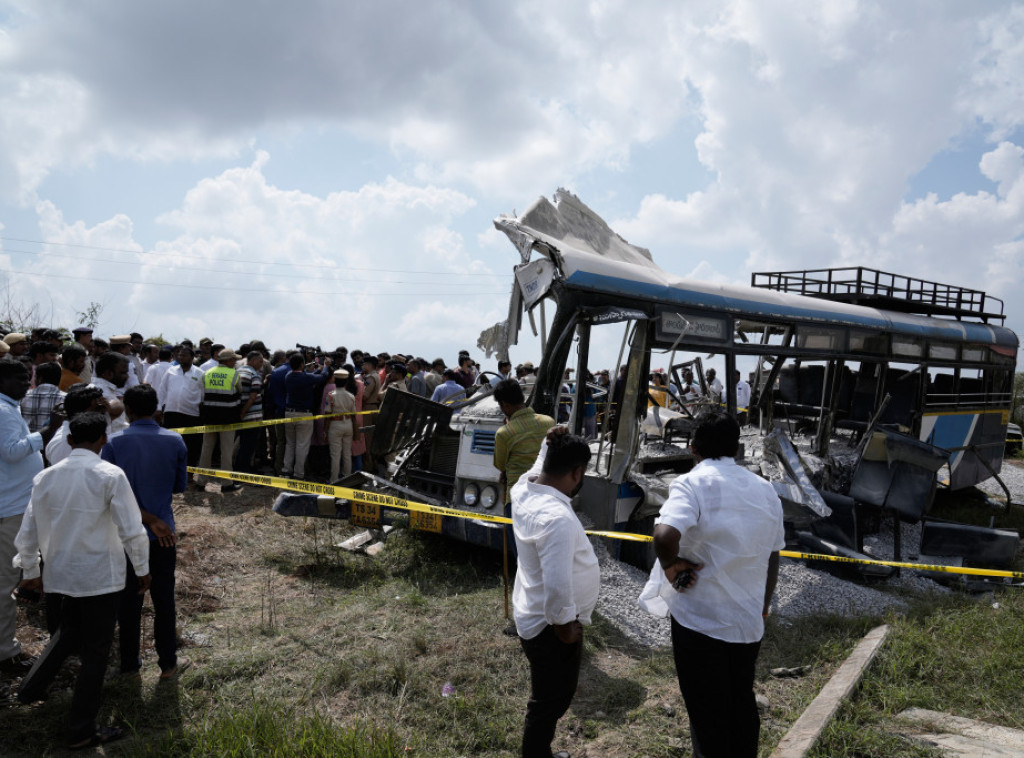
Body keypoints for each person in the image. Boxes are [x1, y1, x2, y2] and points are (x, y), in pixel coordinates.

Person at [14, 412, 151, 750]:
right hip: (100, 577)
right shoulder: (109, 474)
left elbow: (27, 533)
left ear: (70, 441)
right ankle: (81, 731)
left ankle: (30, 690)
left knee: (67, 632)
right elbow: (132, 530)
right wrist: (143, 568)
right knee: (95, 653)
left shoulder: (44, 477)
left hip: (60, 575)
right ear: (103, 440)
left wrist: (31, 573)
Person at [652, 410, 783, 758]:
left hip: (700, 621)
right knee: (741, 703)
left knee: (708, 715)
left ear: (693, 448)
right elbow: (773, 554)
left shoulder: (692, 483)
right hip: (747, 621)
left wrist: (671, 565)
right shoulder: (766, 490)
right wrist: (764, 605)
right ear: (738, 448)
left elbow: (664, 535)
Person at [511, 427, 599, 758]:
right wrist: (564, 626)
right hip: (550, 627)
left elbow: (536, 468)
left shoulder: (524, 489)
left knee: (549, 695)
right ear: (577, 472)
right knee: (551, 699)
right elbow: (558, 582)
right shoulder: (556, 517)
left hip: (533, 610)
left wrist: (547, 442)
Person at [101, 385, 189, 681]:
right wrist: (153, 516)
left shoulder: (112, 443)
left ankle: (129, 665)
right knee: (164, 601)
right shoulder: (175, 441)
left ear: (128, 410)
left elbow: (109, 495)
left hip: (125, 535)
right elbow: (179, 486)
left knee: (128, 603)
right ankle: (168, 664)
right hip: (163, 533)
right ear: (156, 409)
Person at [0, 359, 46, 678]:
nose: (27, 385)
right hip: (10, 508)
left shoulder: (9, 408)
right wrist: (47, 432)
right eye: (19, 379)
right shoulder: (3, 411)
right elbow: (13, 451)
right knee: (5, 585)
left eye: (27, 378)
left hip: (13, 502)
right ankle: (6, 655)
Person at [493, 379, 555, 505]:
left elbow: (500, 465)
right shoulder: (549, 422)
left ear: (505, 405)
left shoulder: (504, 433)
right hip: (546, 496)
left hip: (518, 499)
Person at [196, 349, 244, 492]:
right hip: (228, 419)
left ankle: (201, 482)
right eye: (234, 359)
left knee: (206, 450)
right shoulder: (234, 374)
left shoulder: (207, 373)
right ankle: (226, 483)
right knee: (226, 452)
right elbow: (239, 391)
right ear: (228, 360)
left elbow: (203, 394)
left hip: (210, 418)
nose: (235, 362)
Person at [282, 353, 331, 480]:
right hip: (304, 414)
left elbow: (309, 376)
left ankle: (286, 470)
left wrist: (317, 370)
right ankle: (298, 473)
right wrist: (325, 367)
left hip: (289, 413)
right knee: (302, 445)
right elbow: (323, 377)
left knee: (290, 443)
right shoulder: (305, 378)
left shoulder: (288, 376)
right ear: (302, 364)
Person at [156, 345, 204, 467]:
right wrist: (158, 408)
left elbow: (203, 394)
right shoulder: (171, 371)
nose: (181, 357)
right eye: (180, 355)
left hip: (191, 414)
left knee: (191, 445)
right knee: (170, 442)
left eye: (184, 355)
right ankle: (169, 468)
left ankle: (189, 472)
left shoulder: (200, 373)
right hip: (171, 412)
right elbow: (162, 390)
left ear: (192, 357)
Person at [46, 384, 105, 466]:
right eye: (97, 409)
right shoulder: (64, 443)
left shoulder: (86, 435)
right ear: (80, 413)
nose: (102, 412)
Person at [325, 369, 358, 481]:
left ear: (335, 380)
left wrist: (325, 430)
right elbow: (354, 414)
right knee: (347, 454)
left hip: (335, 425)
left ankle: (334, 479)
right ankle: (347, 478)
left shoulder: (331, 396)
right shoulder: (351, 396)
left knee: (335, 455)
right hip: (348, 424)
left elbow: (327, 415)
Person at [234, 350, 264, 474]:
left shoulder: (238, 372)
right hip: (251, 417)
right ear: (253, 360)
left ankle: (238, 467)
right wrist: (243, 413)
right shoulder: (254, 375)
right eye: (260, 361)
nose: (262, 364)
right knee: (248, 446)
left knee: (241, 444)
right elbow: (252, 397)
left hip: (239, 413)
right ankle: (243, 471)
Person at [20, 361, 64, 433]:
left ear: (40, 379)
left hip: (27, 441)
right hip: (53, 442)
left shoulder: (23, 396)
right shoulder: (65, 398)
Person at [92, 351, 130, 433]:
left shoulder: (104, 389)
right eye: (123, 372)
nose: (127, 376)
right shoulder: (101, 393)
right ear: (108, 373)